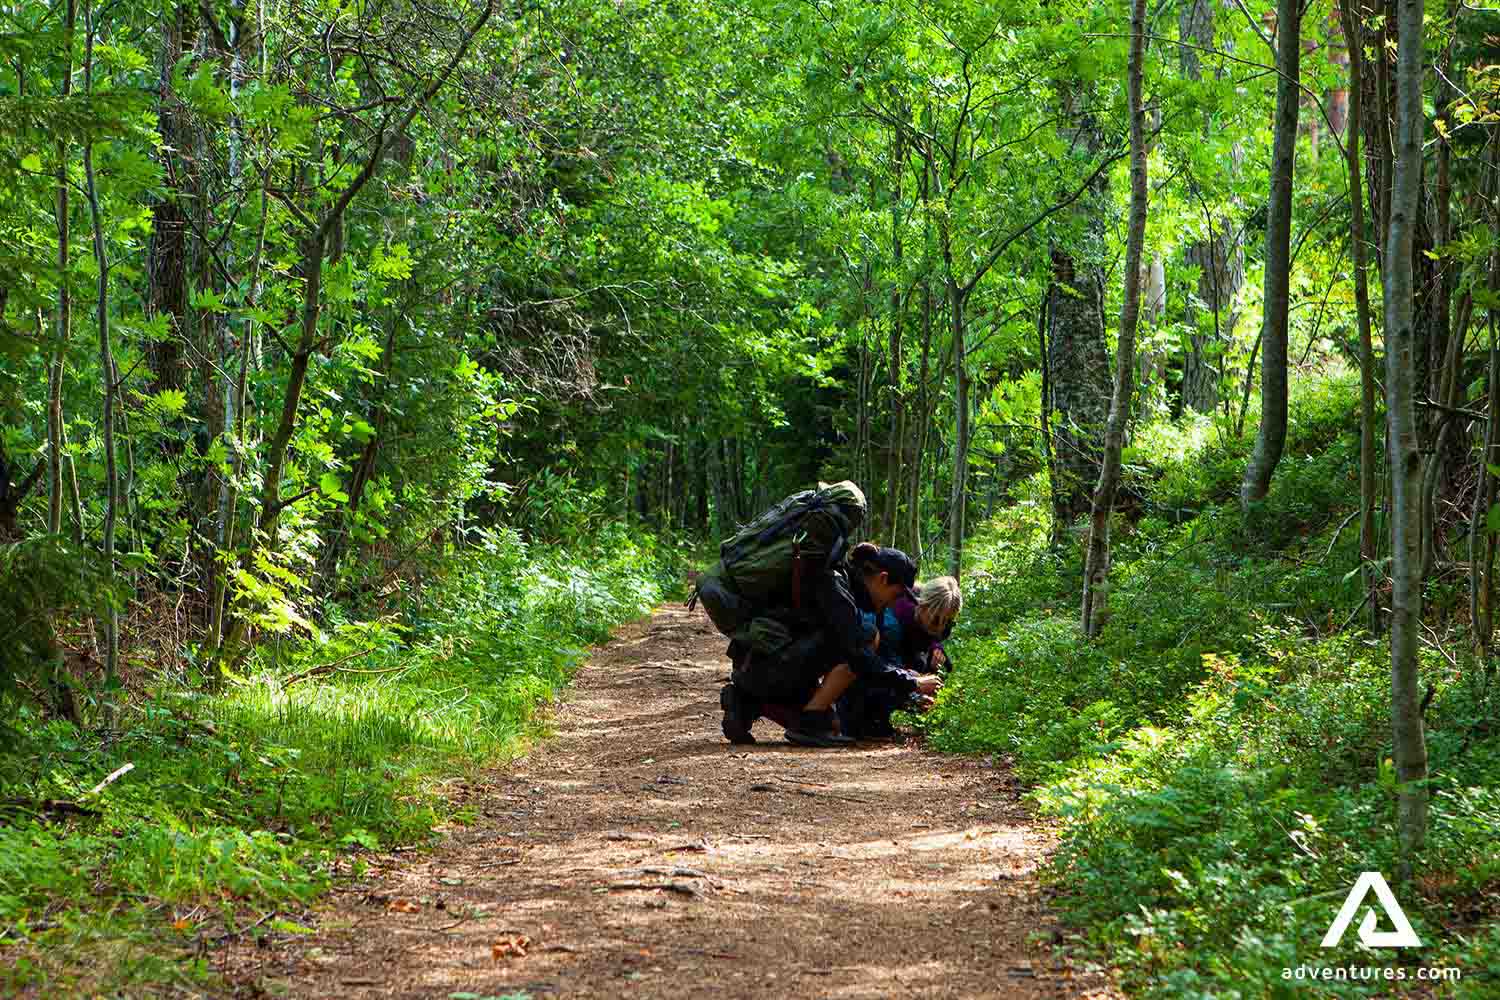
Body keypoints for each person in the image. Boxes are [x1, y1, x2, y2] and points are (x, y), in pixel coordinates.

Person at [719, 543, 941, 747]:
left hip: (758, 666)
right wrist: (911, 682)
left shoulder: (836, 579)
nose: (894, 602)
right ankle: (808, 719)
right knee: (866, 637)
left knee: (831, 726)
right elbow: (860, 658)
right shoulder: (836, 590)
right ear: (883, 579)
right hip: (772, 670)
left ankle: (745, 702)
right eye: (897, 594)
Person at [835, 575, 961, 739]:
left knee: (936, 665)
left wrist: (936, 649)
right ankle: (864, 719)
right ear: (922, 605)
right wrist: (913, 688)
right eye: (936, 619)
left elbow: (932, 640)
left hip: (895, 663)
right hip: (867, 669)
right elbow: (878, 668)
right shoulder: (893, 620)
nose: (941, 627)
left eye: (948, 622)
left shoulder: (932, 623)